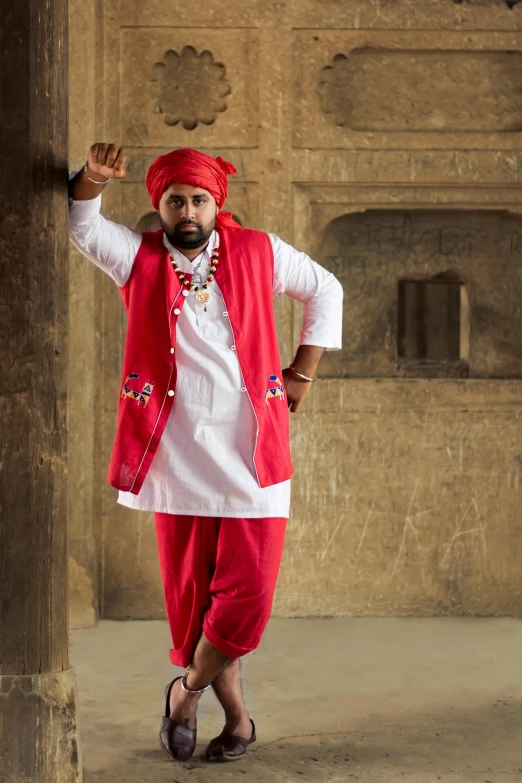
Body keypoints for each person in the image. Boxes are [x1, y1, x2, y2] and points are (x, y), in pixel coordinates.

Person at [69, 143, 343, 763]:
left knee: (246, 596)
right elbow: (81, 224)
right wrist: (90, 179)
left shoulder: (257, 251)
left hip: (253, 455)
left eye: (198, 199)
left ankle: (184, 694)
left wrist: (302, 371)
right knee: (194, 600)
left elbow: (326, 288)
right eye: (174, 200)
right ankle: (240, 721)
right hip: (175, 457)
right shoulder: (136, 258)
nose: (187, 210)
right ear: (158, 207)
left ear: (217, 202)